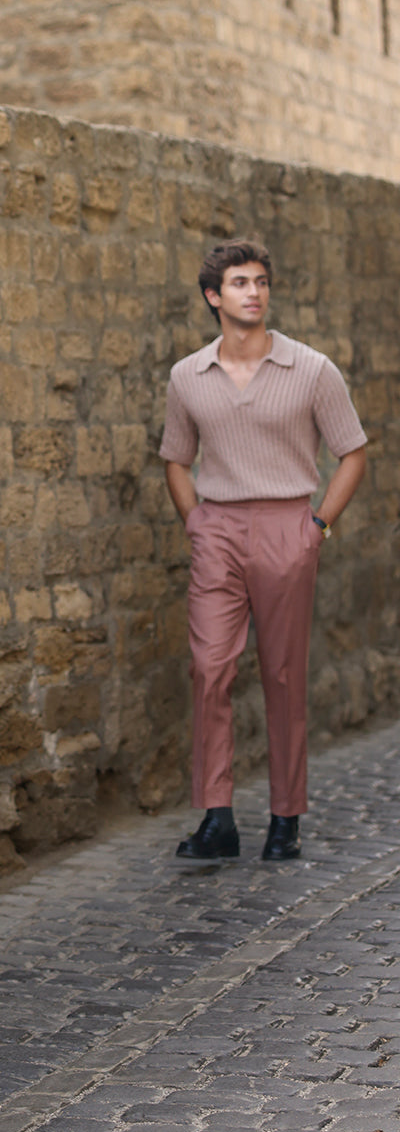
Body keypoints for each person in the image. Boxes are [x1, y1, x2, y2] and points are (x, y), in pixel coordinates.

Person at [161, 239, 367, 862]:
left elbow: (352, 453)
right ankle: (217, 818)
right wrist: (198, 523)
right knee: (209, 669)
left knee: (282, 674)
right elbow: (176, 460)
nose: (254, 292)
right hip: (218, 532)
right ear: (213, 296)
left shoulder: (312, 369)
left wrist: (317, 526)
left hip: (287, 528)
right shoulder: (187, 375)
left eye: (261, 282)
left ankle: (285, 817)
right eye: (240, 282)